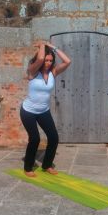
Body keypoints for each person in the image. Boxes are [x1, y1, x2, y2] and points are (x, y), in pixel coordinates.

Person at [20, 41, 71, 177]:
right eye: (46, 60)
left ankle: (47, 165)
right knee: (35, 138)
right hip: (28, 111)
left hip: (43, 111)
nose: (48, 62)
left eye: (50, 60)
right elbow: (40, 58)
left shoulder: (53, 73)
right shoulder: (32, 71)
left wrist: (53, 47)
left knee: (53, 138)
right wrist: (43, 45)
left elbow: (67, 61)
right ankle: (28, 167)